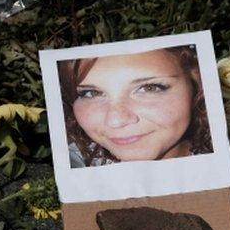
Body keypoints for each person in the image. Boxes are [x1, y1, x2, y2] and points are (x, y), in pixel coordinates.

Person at [59, 45, 212, 167]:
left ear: (197, 85)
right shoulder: (72, 161)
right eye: (91, 93)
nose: (116, 121)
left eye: (149, 88)